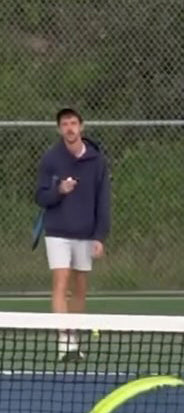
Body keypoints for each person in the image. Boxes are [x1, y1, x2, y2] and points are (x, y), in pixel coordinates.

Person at [35, 107, 110, 360]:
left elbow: (103, 200)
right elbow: (41, 196)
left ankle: (75, 340)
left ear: (81, 127)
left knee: (80, 288)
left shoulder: (96, 161)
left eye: (73, 123)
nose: (69, 128)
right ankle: (64, 343)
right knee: (61, 281)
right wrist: (60, 190)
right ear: (60, 129)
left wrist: (99, 236)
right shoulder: (50, 159)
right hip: (57, 232)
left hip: (85, 233)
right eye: (65, 124)